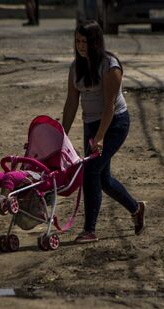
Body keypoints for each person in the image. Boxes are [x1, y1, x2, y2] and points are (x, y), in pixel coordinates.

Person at [61, 20, 145, 243]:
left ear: (95, 42)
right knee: (104, 179)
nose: (80, 46)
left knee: (90, 172)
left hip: (115, 124)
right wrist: (60, 135)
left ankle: (89, 230)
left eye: (85, 42)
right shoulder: (75, 68)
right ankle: (136, 209)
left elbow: (109, 106)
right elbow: (71, 103)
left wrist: (99, 138)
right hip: (91, 124)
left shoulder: (110, 66)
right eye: (77, 41)